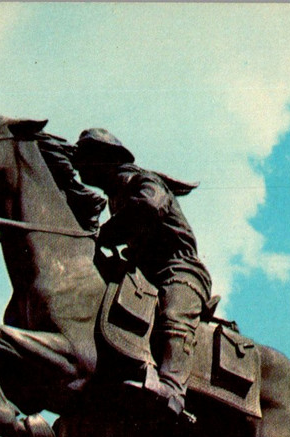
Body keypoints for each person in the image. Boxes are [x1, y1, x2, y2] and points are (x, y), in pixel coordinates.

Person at [72, 128, 213, 417]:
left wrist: (107, 233)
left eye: (86, 160)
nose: (81, 168)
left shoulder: (145, 181)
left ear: (106, 158)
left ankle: (173, 390)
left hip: (179, 269)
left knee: (174, 316)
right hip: (145, 275)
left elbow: (149, 208)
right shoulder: (115, 199)